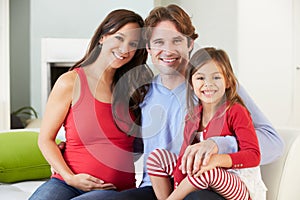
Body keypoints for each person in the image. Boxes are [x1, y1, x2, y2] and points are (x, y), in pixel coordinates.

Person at [56, 4, 284, 200]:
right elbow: (134, 147)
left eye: (177, 41)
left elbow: (274, 143)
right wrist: (78, 150)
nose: (168, 50)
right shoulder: (144, 93)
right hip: (154, 188)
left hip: (201, 186)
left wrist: (215, 145)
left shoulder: (210, 84)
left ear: (190, 44)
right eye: (159, 42)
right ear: (148, 48)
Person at [29, 9, 153, 200]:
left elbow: (143, 145)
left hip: (113, 191)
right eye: (119, 38)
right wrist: (70, 178)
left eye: (133, 43)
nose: (125, 48)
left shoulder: (135, 89)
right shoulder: (70, 82)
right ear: (103, 37)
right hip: (67, 183)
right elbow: (45, 139)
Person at [146, 47, 267, 200]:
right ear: (191, 83)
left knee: (204, 167)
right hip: (203, 176)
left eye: (216, 77)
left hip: (237, 182)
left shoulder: (236, 111)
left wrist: (215, 161)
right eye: (201, 78)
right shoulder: (192, 116)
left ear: (228, 81)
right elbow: (185, 155)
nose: (208, 84)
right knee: (156, 157)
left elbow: (253, 156)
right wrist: (178, 184)